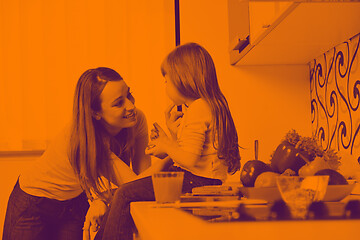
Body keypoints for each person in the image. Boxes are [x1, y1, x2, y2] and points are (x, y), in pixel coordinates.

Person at [96, 42, 241, 240]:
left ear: (183, 79)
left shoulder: (199, 108)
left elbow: (189, 160)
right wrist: (171, 139)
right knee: (119, 193)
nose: (165, 87)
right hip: (204, 180)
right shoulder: (209, 105)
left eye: (166, 81)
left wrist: (166, 145)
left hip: (196, 182)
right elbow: (193, 153)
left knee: (123, 193)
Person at [2, 67, 167, 240]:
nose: (131, 105)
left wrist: (101, 199)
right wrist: (175, 151)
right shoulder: (84, 139)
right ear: (95, 112)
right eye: (119, 103)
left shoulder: (136, 119)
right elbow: (134, 184)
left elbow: (141, 185)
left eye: (129, 95)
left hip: (74, 201)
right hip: (34, 202)